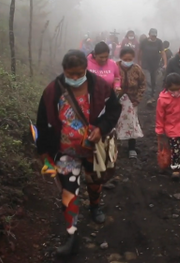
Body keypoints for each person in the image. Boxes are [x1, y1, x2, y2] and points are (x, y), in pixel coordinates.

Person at [35, 50, 122, 256]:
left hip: (93, 150)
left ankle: (95, 206)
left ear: (85, 69)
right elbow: (42, 122)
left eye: (78, 73)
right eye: (70, 73)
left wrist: (101, 128)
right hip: (66, 152)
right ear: (63, 70)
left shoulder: (101, 87)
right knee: (68, 191)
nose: (74, 78)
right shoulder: (52, 91)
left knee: (94, 182)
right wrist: (44, 154)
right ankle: (72, 234)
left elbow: (114, 110)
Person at [116, 47, 146, 159]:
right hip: (117, 101)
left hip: (132, 101)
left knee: (132, 123)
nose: (127, 61)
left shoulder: (137, 69)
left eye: (130, 59)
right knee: (116, 122)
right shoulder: (115, 67)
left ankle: (131, 148)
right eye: (125, 59)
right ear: (121, 58)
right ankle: (116, 145)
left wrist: (137, 99)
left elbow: (143, 84)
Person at [139, 28, 167, 105]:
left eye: (154, 36)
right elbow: (140, 52)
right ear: (149, 34)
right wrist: (139, 62)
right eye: (152, 35)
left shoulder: (159, 42)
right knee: (148, 81)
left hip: (155, 65)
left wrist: (165, 63)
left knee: (154, 81)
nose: (153, 37)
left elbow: (163, 52)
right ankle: (148, 98)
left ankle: (153, 96)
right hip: (145, 65)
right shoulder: (144, 42)